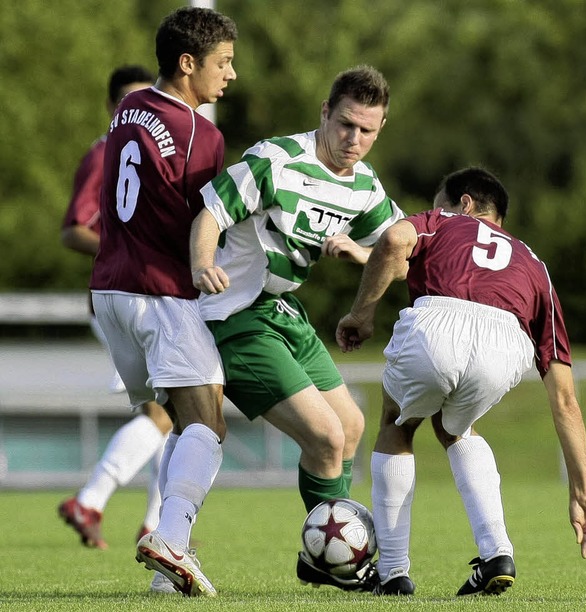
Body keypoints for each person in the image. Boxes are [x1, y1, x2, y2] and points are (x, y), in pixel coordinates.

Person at [336, 166, 586, 597]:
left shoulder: (442, 221)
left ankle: (392, 573)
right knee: (453, 427)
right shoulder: (535, 265)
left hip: (438, 323)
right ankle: (497, 552)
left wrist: (361, 314)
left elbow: (393, 241)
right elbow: (566, 400)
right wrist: (582, 490)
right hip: (506, 343)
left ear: (463, 204)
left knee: (397, 421)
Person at [190, 65, 405, 592]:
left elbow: (400, 252)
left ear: (379, 131)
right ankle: (341, 565)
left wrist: (360, 251)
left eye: (368, 130)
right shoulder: (277, 159)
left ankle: (319, 558)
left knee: (351, 426)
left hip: (285, 314)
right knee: (328, 437)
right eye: (347, 124)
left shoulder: (364, 186)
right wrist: (201, 264)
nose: (354, 139)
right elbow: (211, 213)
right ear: (325, 114)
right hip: (238, 315)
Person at [90, 6, 238, 597]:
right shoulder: (203, 133)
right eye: (223, 63)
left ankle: (164, 574)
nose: (230, 76)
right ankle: (170, 538)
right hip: (161, 294)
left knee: (179, 419)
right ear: (187, 63)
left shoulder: (129, 107)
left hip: (109, 292)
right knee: (210, 424)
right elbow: (209, 219)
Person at [58, 65, 174, 558]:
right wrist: (124, 247)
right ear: (111, 108)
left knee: (175, 411)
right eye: (127, 101)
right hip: (121, 296)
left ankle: (155, 524)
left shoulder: (154, 154)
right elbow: (73, 228)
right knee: (166, 412)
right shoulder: (104, 153)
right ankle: (92, 500)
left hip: (148, 294)